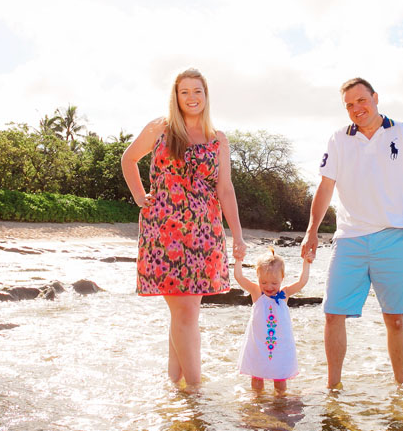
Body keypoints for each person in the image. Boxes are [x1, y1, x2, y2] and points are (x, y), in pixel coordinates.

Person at [301, 77, 403, 388]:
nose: (357, 108)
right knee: (333, 314)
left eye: (361, 100)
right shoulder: (338, 139)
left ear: (375, 97)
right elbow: (325, 187)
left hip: (395, 238)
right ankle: (333, 389)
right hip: (350, 239)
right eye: (349, 105)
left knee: (396, 320)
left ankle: (401, 390)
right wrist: (311, 230)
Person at [122, 68, 247, 388]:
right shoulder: (160, 129)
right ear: (175, 98)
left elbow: (226, 189)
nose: (191, 98)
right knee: (186, 313)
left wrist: (238, 234)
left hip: (205, 232)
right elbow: (128, 159)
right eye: (184, 92)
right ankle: (196, 392)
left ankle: (175, 387)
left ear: (206, 97)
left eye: (197, 92)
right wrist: (139, 196)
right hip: (164, 231)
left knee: (184, 313)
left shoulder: (218, 139)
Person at [234, 248, 312, 393]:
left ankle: (280, 404)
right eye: (264, 282)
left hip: (280, 346)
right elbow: (239, 277)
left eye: (274, 283)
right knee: (257, 378)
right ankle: (257, 402)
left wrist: (306, 263)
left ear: (282, 278)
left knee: (280, 380)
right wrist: (238, 260)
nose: (269, 287)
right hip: (258, 344)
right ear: (257, 277)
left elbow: (302, 281)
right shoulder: (256, 292)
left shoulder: (284, 294)